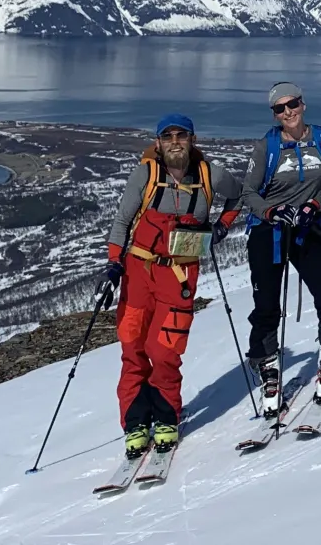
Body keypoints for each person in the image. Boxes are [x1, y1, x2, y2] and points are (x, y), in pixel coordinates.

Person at [101, 113, 244, 459]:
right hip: (138, 270)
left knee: (166, 349)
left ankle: (166, 416)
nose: (175, 141)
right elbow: (122, 221)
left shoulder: (210, 174)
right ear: (159, 142)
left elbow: (237, 196)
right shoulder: (146, 174)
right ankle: (135, 422)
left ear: (193, 139)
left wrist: (222, 227)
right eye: (168, 136)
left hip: (179, 274)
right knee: (133, 345)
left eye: (182, 135)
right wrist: (113, 264)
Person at [239, 82, 321, 415]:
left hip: (307, 228)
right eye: (280, 108)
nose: (288, 111)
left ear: (303, 104)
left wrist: (313, 205)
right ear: (274, 113)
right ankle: (267, 367)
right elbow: (249, 193)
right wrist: (271, 211)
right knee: (266, 307)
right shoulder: (266, 148)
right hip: (268, 232)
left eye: (293, 104)